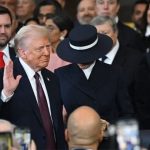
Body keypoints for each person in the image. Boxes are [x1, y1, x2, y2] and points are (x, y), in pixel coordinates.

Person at [0, 25, 66, 150]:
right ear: (22, 52)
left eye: (48, 46)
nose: (47, 53)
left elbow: (57, 123)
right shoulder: (4, 77)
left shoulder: (52, 78)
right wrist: (6, 94)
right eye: (40, 48)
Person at [55, 24, 134, 124]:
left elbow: (127, 113)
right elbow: (55, 115)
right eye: (77, 56)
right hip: (75, 136)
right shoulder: (61, 75)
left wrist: (110, 127)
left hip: (107, 136)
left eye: (85, 57)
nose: (81, 61)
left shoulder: (114, 73)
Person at [90, 16, 143, 86]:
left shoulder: (136, 59)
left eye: (104, 33)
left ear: (116, 33)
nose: (100, 38)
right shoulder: (88, 58)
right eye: (96, 35)